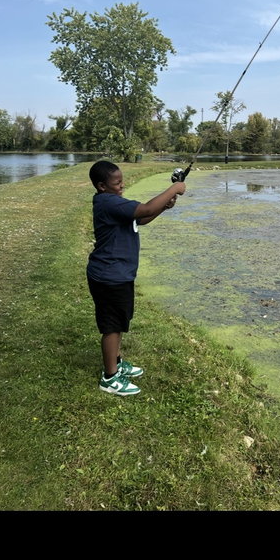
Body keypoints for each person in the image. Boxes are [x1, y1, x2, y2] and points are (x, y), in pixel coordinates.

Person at [87, 159, 186, 396]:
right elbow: (146, 209)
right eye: (117, 182)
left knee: (119, 321)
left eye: (122, 181)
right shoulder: (107, 202)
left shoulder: (114, 202)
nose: (122, 185)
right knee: (111, 326)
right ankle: (109, 378)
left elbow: (141, 218)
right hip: (109, 275)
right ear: (102, 186)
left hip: (119, 274)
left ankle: (117, 363)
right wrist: (174, 188)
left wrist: (164, 206)